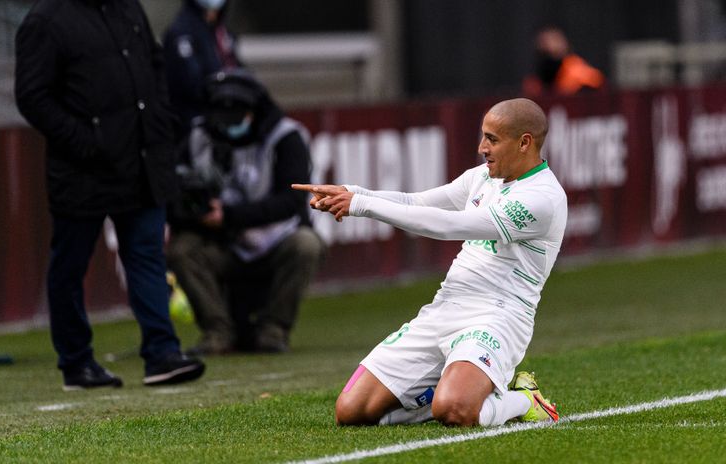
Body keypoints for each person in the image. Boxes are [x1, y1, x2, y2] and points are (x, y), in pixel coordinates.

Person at [294, 98, 566, 427]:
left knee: (455, 411)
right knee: (351, 411)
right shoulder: (483, 178)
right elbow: (416, 202)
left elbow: (448, 225)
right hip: (446, 306)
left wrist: (361, 205)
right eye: (483, 136)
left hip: (497, 317)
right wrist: (350, 191)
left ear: (525, 142)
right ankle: (444, 391)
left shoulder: (542, 199)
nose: (482, 147)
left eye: (492, 139)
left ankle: (522, 400)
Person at [15, 0, 205, 390]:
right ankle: (76, 362)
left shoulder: (127, 8)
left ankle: (162, 353)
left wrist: (160, 121)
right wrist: (85, 141)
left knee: (147, 257)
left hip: (142, 162)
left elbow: (155, 65)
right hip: (83, 170)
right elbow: (32, 96)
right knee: (70, 265)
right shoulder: (46, 19)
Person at [166, 69, 324, 355]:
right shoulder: (199, 136)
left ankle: (273, 330)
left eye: (237, 118)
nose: (229, 126)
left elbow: (291, 201)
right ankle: (217, 331)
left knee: (306, 244)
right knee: (182, 248)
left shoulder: (285, 137)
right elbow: (173, 193)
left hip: (273, 240)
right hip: (221, 243)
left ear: (253, 112)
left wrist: (229, 215)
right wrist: (195, 211)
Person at [164, 0, 242, 131]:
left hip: (224, 117)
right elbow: (192, 84)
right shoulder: (181, 33)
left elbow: (237, 68)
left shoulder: (221, 31)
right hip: (194, 125)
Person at [522, 26, 605, 97]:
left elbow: (599, 87)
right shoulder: (534, 82)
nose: (548, 46)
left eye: (554, 40)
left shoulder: (579, 72)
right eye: (543, 42)